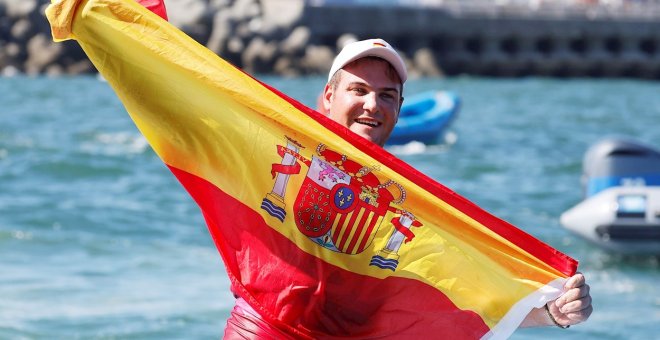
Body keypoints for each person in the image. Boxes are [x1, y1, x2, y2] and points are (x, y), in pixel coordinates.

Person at [224, 38, 593, 338]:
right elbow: (200, 126)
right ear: (328, 96)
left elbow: (455, 292)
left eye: (387, 96)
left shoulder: (404, 203)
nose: (372, 104)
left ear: (399, 109)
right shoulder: (279, 149)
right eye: (359, 89)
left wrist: (550, 312)